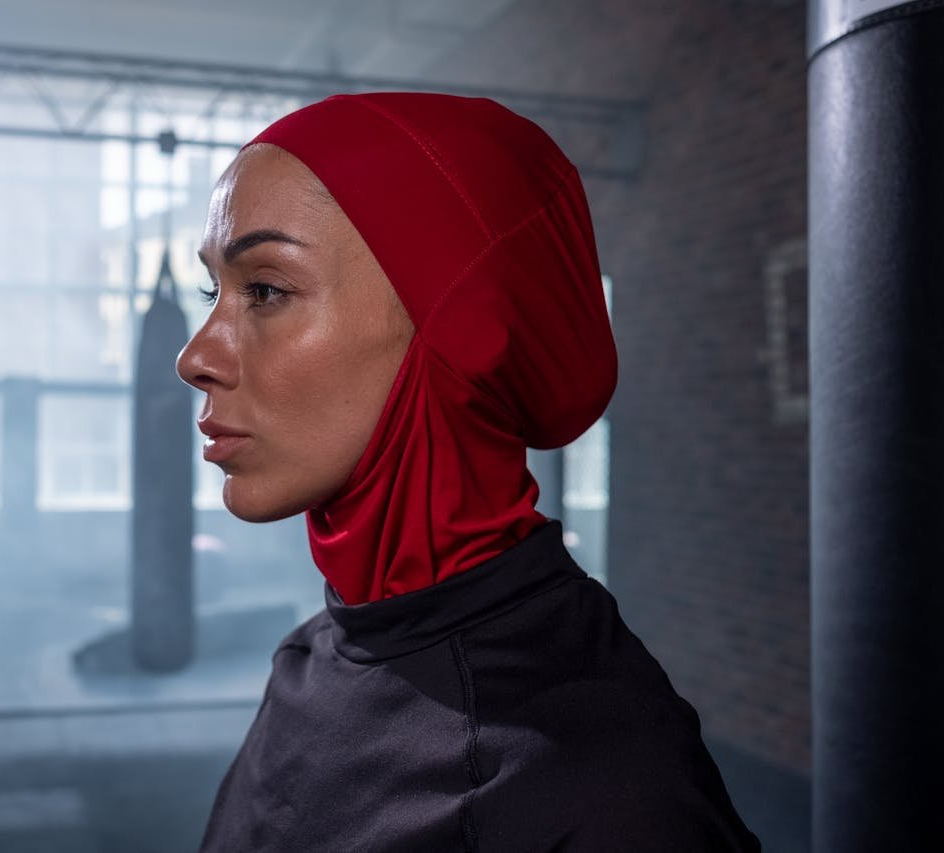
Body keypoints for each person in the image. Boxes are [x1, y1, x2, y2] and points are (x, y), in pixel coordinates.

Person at [177, 92, 760, 852]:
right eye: (211, 291)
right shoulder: (315, 654)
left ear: (462, 329)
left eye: (266, 290)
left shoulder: (607, 787)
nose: (196, 357)